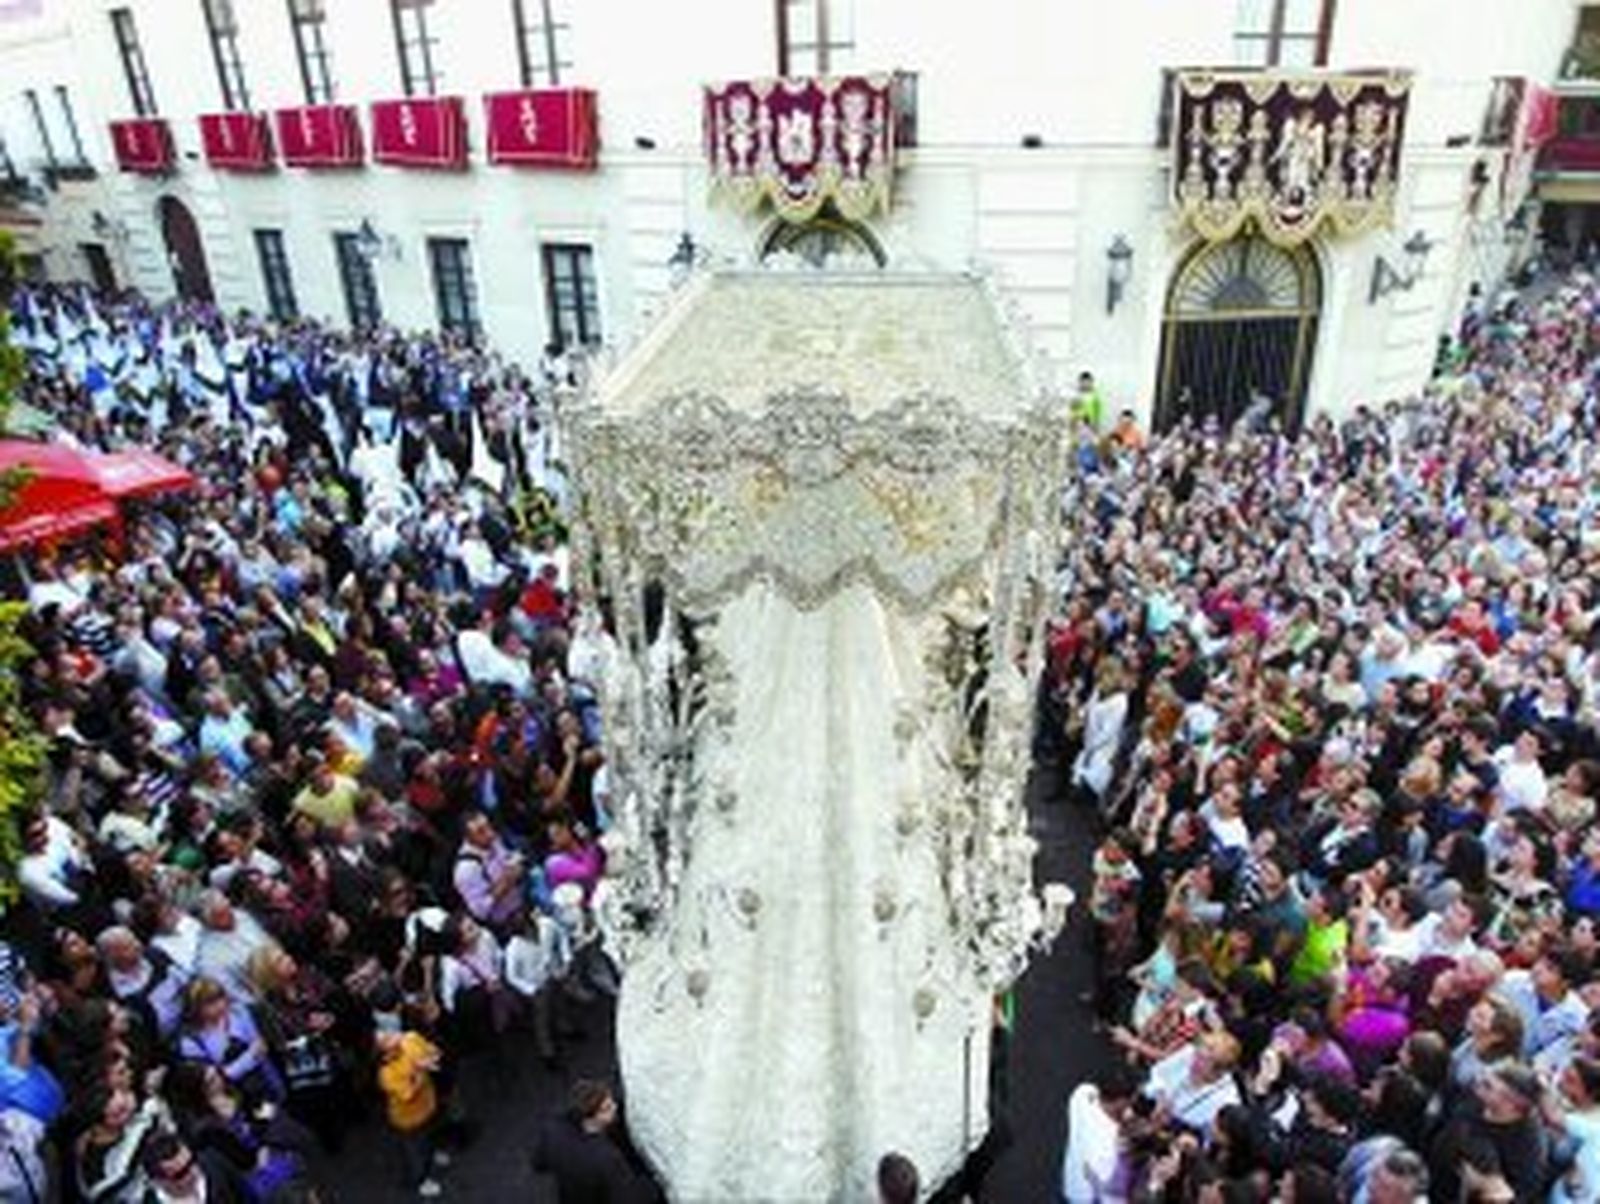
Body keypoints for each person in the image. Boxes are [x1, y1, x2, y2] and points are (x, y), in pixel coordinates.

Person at [532, 1079, 645, 1203]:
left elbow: (538, 1163)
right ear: (590, 1118)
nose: (615, 1107)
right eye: (607, 1108)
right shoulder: (608, 1159)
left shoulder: (552, 1129)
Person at [376, 1028, 447, 1199]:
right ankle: (421, 1180)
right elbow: (408, 1094)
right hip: (408, 1119)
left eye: (388, 1033)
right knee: (414, 1150)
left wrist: (431, 1056)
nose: (393, 1035)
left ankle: (432, 1153)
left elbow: (433, 1050)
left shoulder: (410, 1038)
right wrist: (420, 1068)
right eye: (386, 1038)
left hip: (428, 1104)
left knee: (430, 1134)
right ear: (383, 1053)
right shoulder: (386, 1074)